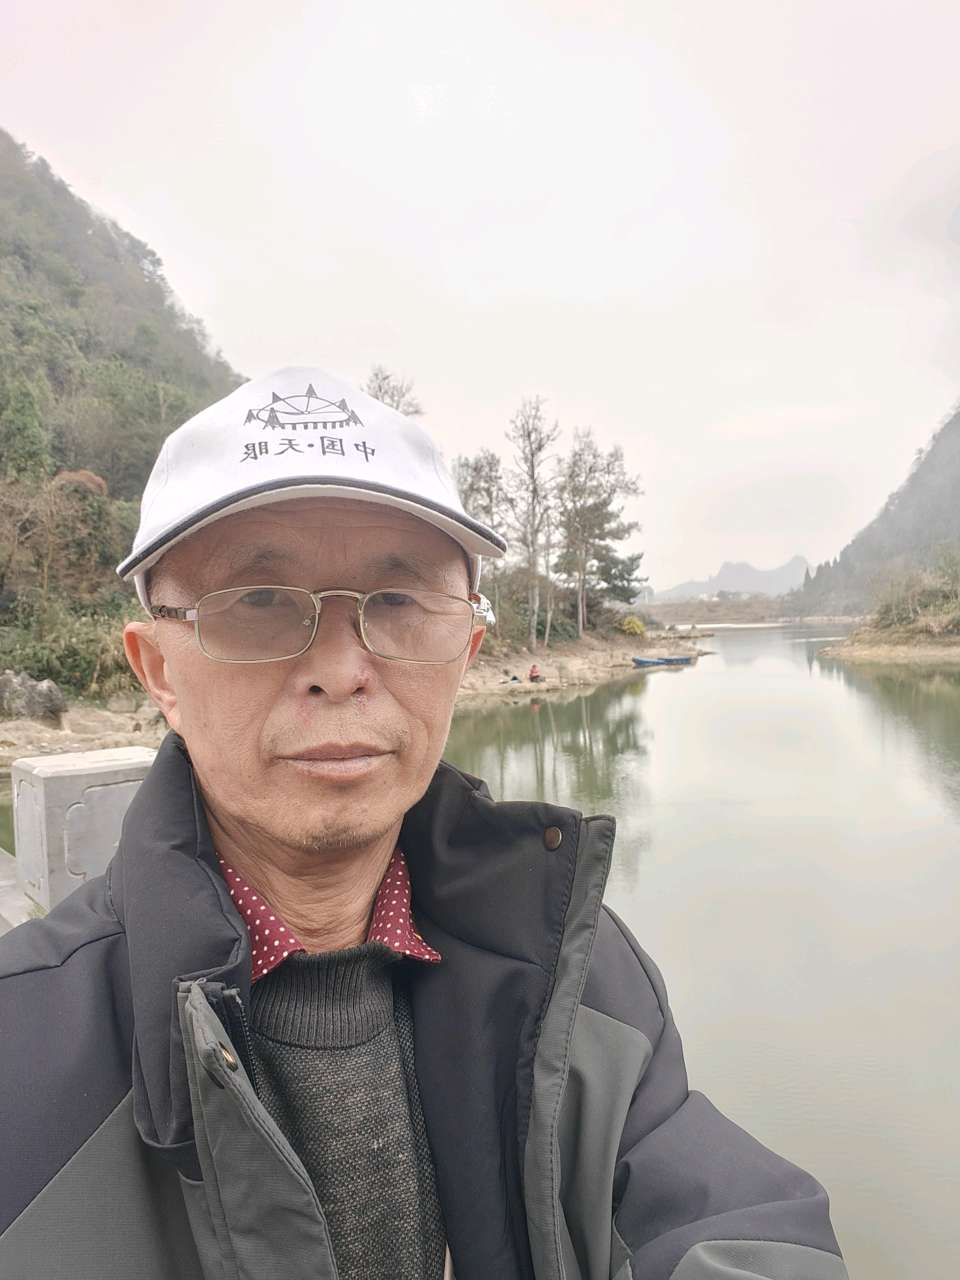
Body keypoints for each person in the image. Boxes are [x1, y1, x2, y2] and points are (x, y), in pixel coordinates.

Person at [0, 368, 848, 1279]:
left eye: (398, 603)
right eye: (259, 601)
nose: (340, 671)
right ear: (159, 669)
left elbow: (725, 1216)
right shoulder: (24, 1049)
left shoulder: (574, 970)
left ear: (466, 651)